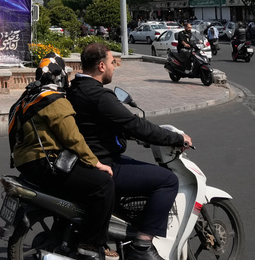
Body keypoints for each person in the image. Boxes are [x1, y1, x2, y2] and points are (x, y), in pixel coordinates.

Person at [69, 43, 191, 260]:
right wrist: (177, 138)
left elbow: (102, 125)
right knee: (167, 181)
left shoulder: (75, 88)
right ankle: (142, 245)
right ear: (101, 66)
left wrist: (129, 134)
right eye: (111, 63)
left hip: (84, 161)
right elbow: (135, 125)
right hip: (104, 163)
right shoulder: (100, 96)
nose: (114, 67)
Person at [9, 53, 114, 258]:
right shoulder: (53, 99)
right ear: (59, 76)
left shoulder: (30, 95)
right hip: (43, 162)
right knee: (103, 184)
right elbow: (72, 138)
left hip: (26, 162)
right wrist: (96, 163)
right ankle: (91, 244)